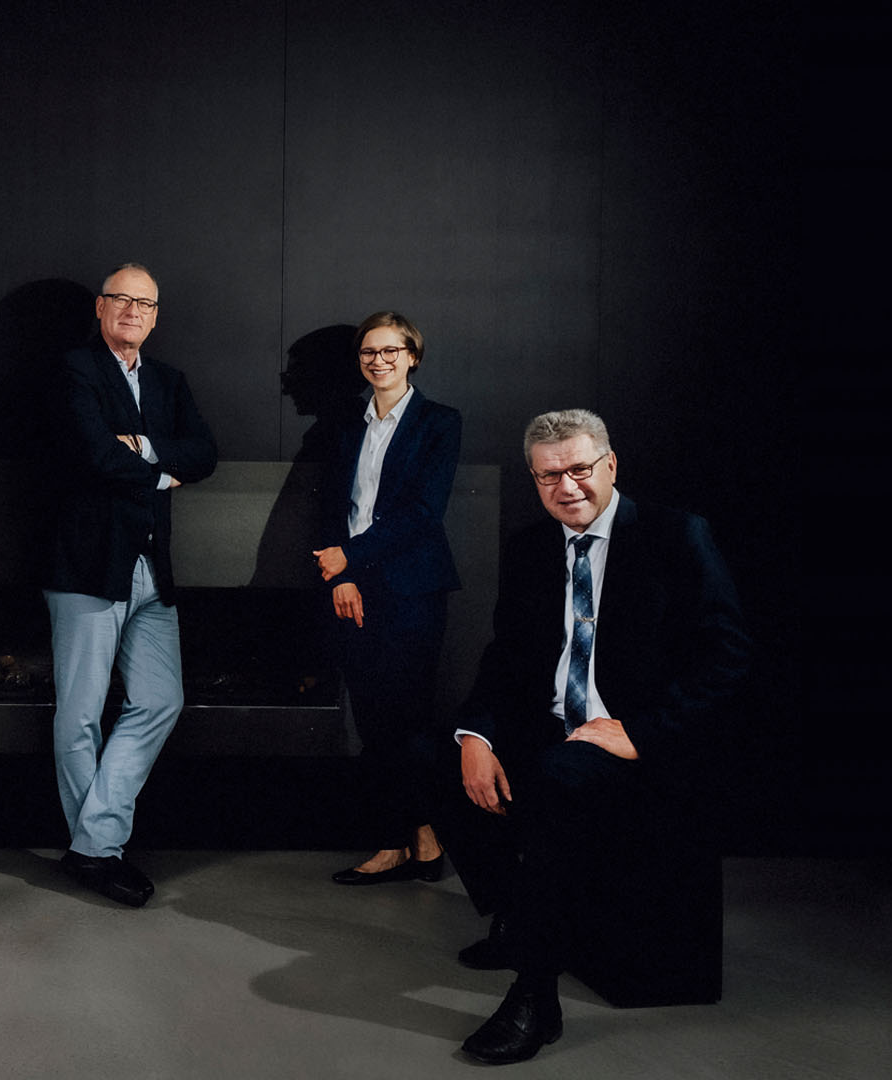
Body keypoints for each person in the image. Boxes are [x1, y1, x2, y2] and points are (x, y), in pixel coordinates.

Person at [437, 409, 750, 1065]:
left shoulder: (675, 535)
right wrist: (476, 737)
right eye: (549, 475)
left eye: (580, 469)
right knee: (432, 756)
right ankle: (516, 913)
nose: (567, 486)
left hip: (635, 739)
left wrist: (641, 731)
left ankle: (535, 997)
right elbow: (506, 656)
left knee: (558, 778)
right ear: (534, 479)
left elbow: (728, 656)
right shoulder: (530, 547)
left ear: (610, 465)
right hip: (550, 726)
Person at [45, 263, 216, 907]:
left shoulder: (169, 380)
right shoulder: (74, 370)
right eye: (121, 299)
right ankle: (100, 851)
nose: (132, 311)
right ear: (100, 307)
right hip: (88, 564)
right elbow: (92, 453)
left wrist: (140, 446)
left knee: (161, 699)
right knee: (80, 716)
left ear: (155, 316)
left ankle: (91, 842)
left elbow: (205, 453)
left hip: (151, 567)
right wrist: (164, 467)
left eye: (144, 303)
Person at [310, 311, 461, 885]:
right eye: (369, 352)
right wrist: (341, 577)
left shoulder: (439, 422)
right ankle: (399, 843)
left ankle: (422, 836)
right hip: (352, 587)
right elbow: (332, 507)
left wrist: (350, 557)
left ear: (412, 356)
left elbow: (423, 512)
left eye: (391, 351)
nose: (379, 361)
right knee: (372, 721)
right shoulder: (344, 425)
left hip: (412, 588)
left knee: (408, 720)